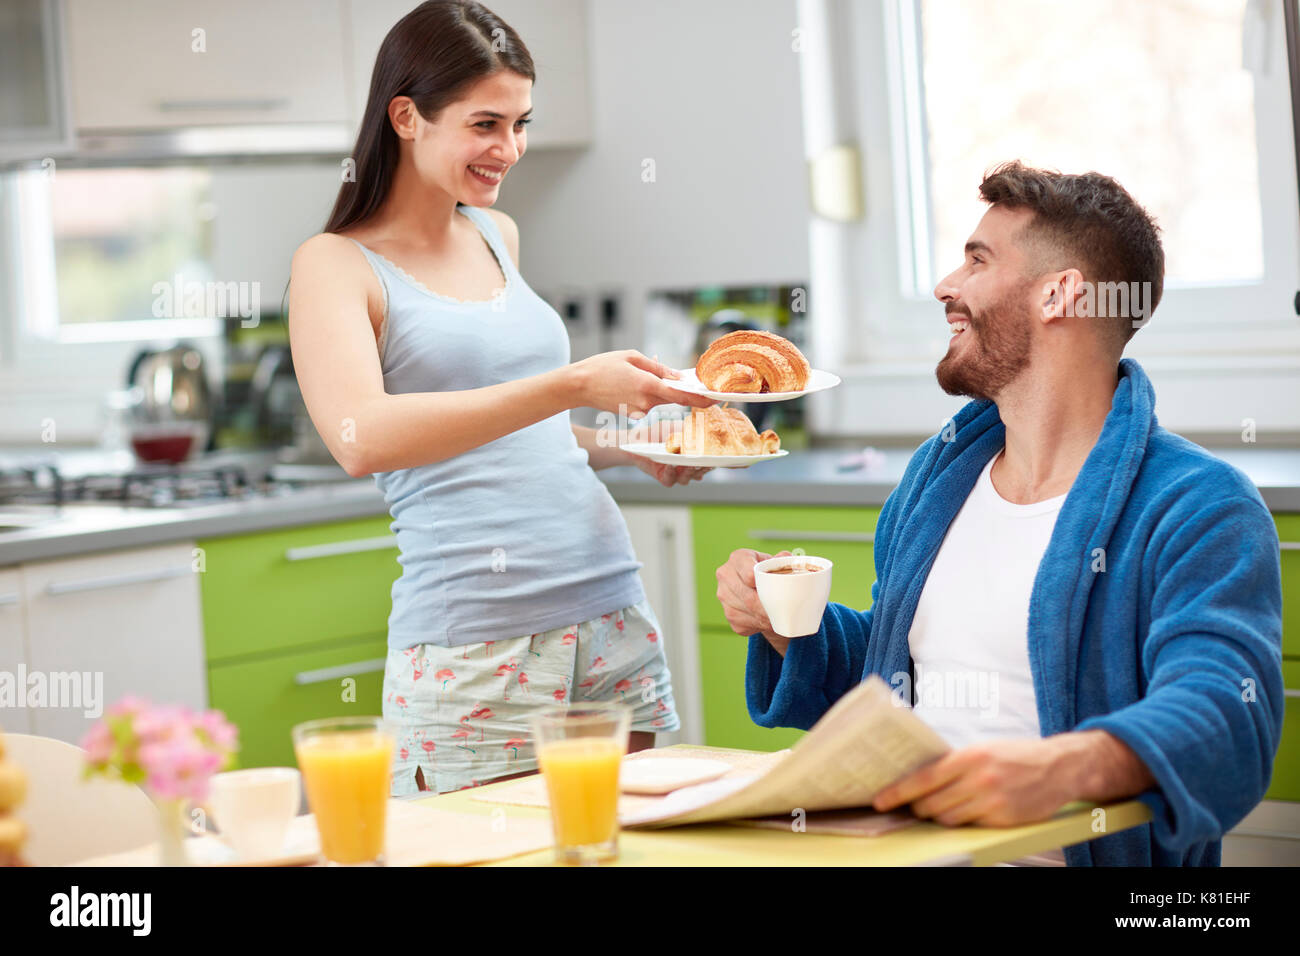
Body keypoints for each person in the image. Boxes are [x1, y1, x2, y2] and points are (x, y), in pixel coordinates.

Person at [714, 161, 1284, 866]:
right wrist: (788, 627)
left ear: (1059, 294)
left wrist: (1061, 770)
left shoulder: (1195, 504)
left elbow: (1227, 714)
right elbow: (903, 676)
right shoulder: (939, 476)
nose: (944, 286)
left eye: (977, 261)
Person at [288, 0, 714, 794]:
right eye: (487, 124)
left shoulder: (495, 235)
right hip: (477, 646)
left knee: (633, 850)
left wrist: (630, 446)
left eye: (520, 123)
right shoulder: (335, 265)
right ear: (407, 116)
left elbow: (512, 431)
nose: (509, 149)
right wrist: (574, 382)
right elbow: (361, 437)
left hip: (608, 608)